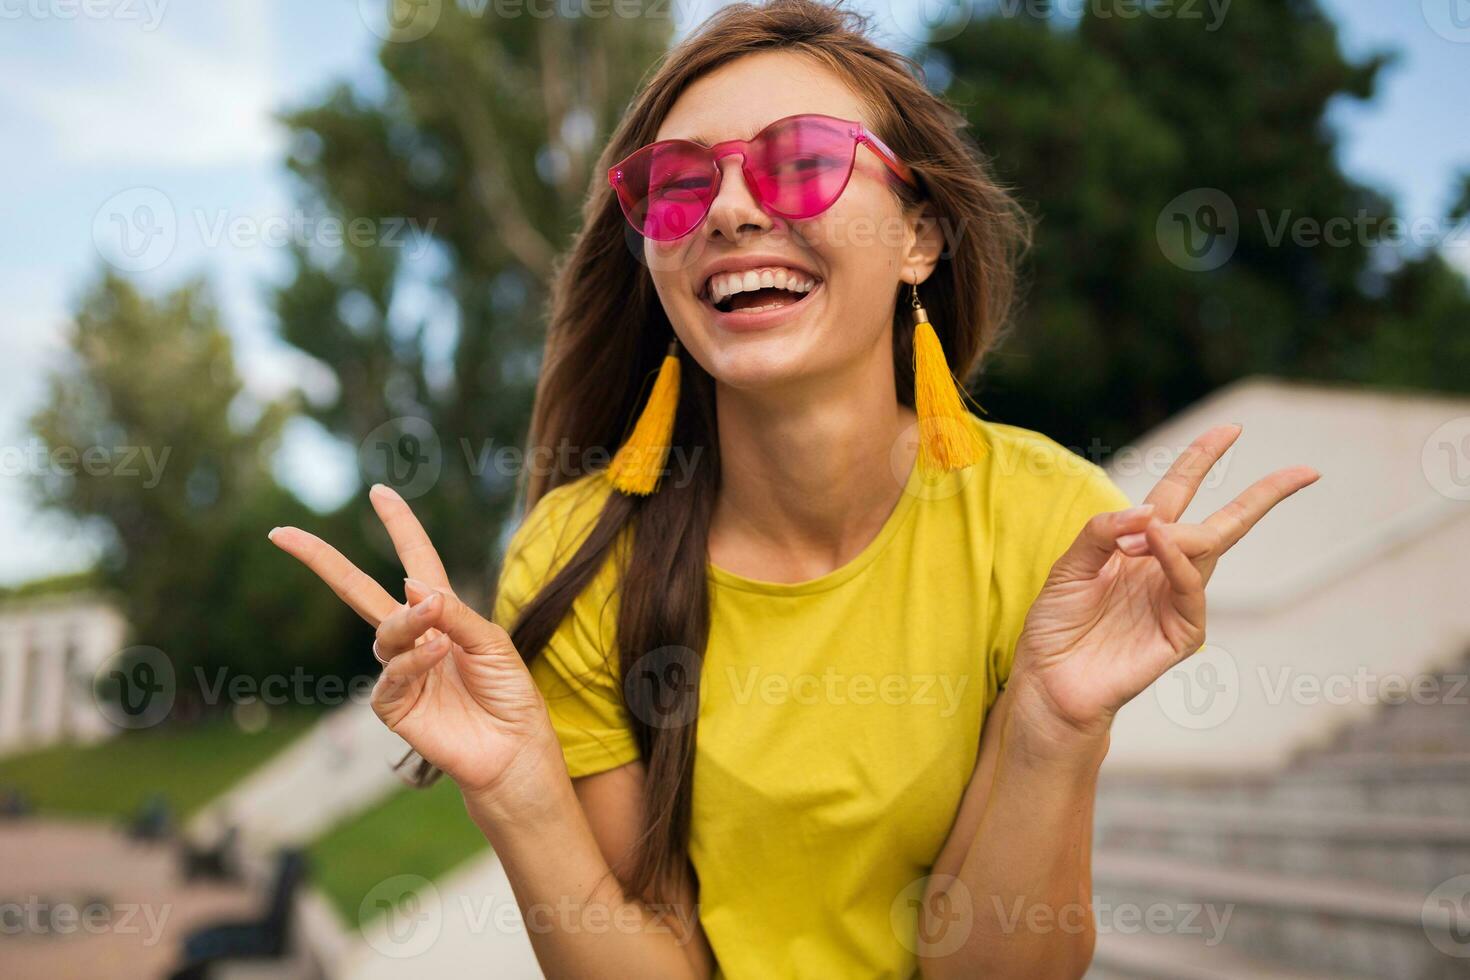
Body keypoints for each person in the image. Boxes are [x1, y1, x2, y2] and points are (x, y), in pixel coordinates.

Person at [268, 1, 1319, 976]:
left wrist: (1053, 725)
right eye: (677, 184)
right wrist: (516, 793)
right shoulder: (580, 549)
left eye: (803, 161)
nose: (726, 208)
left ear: (919, 236)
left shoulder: (1052, 523)